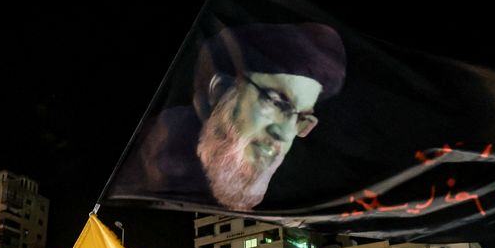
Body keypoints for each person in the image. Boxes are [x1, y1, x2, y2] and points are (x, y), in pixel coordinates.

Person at [112, 22, 346, 211]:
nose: (284, 134)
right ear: (220, 91)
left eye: (301, 118)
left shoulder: (287, 200)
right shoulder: (134, 163)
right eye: (276, 102)